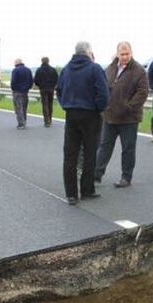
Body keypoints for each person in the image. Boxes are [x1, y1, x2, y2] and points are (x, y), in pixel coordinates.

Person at [56, 41, 109, 205]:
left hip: (71, 114)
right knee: (89, 153)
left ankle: (71, 194)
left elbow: (59, 90)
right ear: (88, 52)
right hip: (90, 114)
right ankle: (87, 190)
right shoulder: (95, 68)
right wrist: (98, 108)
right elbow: (103, 93)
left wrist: (66, 104)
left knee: (70, 154)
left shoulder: (66, 69)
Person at [95, 41, 149, 188]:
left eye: (127, 54)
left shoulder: (139, 71)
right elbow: (103, 87)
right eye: (122, 54)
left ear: (131, 53)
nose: (124, 57)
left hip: (129, 118)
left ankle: (126, 177)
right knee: (104, 147)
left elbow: (143, 92)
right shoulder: (110, 68)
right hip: (110, 115)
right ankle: (96, 175)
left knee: (128, 149)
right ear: (117, 54)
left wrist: (128, 107)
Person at [34, 57, 59, 127]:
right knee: (50, 104)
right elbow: (57, 79)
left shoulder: (39, 70)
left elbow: (36, 80)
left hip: (43, 89)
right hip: (51, 89)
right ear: (48, 61)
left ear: (42, 61)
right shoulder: (53, 69)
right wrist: (53, 86)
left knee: (45, 104)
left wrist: (40, 85)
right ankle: (50, 119)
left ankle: (47, 121)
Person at [10, 58, 33, 129]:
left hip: (17, 92)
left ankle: (21, 124)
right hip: (25, 92)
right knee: (24, 107)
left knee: (18, 108)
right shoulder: (28, 70)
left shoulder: (15, 70)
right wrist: (28, 88)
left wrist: (14, 89)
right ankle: (24, 121)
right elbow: (31, 81)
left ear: (16, 63)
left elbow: (13, 81)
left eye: (14, 62)